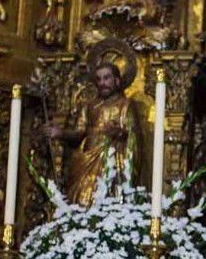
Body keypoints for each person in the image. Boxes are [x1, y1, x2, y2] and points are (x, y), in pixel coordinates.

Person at [46, 62, 144, 206]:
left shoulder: (126, 105)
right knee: (81, 198)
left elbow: (134, 137)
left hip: (112, 161)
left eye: (106, 78)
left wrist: (119, 134)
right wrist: (60, 133)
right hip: (88, 159)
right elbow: (78, 133)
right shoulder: (90, 106)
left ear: (117, 81)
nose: (102, 83)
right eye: (99, 79)